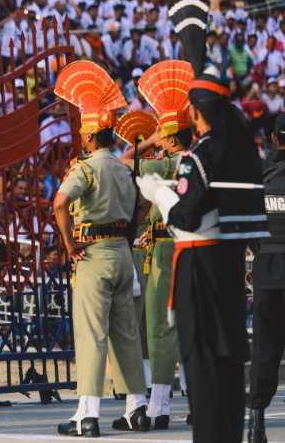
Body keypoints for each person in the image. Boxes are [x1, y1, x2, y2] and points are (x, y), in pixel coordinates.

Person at [139, 0, 268, 443]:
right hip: (227, 264)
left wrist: (156, 191)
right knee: (227, 359)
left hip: (198, 266)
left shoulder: (200, 156)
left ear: (196, 112)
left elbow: (188, 212)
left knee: (202, 361)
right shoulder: (235, 149)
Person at [53, 60, 149, 437]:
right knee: (127, 333)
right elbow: (142, 205)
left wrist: (68, 242)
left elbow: (60, 203)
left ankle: (86, 414)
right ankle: (136, 408)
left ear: (91, 136)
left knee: (92, 333)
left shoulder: (87, 169)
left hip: (92, 253)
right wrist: (130, 234)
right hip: (123, 254)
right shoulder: (125, 168)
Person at [120, 60, 196, 429]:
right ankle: (191, 398)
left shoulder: (167, 165)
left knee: (158, 328)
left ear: (168, 137)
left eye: (161, 137)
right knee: (189, 326)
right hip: (194, 249)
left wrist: (146, 142)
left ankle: (160, 405)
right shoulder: (195, 161)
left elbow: (125, 165)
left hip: (166, 252)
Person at [247, 114, 285, 443]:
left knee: (264, 348)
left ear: (274, 139)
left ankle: (256, 421)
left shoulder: (259, 175)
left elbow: (248, 224)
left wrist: (262, 252)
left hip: (267, 269)